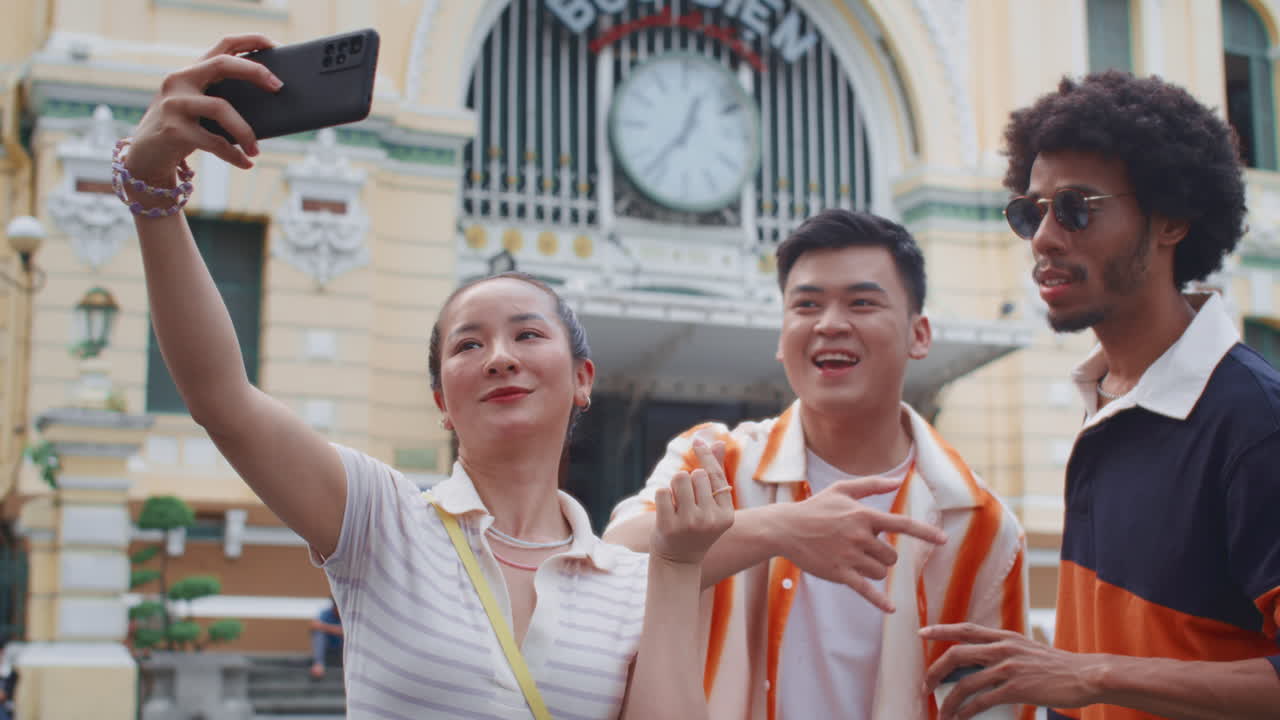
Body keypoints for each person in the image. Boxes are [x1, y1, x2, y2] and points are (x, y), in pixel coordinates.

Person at [119, 33, 733, 720]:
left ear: (582, 377)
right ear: (442, 400)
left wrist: (678, 568)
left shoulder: (628, 581)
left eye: (528, 333)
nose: (500, 356)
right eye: (468, 345)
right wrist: (153, 194)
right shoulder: (383, 522)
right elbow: (221, 399)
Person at [921, 72, 1280, 720]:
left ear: (1170, 219)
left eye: (1077, 208)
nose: (1044, 239)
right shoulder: (1107, 400)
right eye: (1030, 212)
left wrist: (1090, 675)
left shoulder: (1255, 423)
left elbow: (1092, 676)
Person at [606, 209, 1033, 720]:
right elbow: (611, 566)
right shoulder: (714, 461)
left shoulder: (979, 524)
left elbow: (996, 709)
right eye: (806, 305)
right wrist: (778, 529)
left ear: (919, 334)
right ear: (781, 334)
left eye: (862, 303)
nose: (830, 324)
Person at [309, 600, 342, 679]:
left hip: (342, 650)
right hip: (328, 649)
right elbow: (314, 625)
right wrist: (334, 630)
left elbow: (345, 632)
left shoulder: (348, 615)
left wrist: (325, 627)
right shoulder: (326, 613)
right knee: (319, 634)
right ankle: (318, 665)